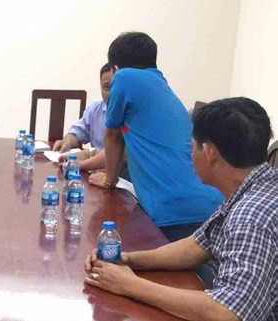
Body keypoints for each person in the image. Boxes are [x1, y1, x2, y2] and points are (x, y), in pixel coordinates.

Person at [85, 97, 277, 321]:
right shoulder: (255, 186)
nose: (189, 154)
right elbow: (196, 246)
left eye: (192, 146)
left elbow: (227, 313)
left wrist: (129, 285)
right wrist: (128, 260)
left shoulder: (251, 216)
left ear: (209, 152)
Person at [89, 32, 223, 241]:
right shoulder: (160, 85)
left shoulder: (125, 78)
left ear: (115, 68)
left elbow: (113, 137)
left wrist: (109, 180)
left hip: (174, 212)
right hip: (210, 205)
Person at [53, 63, 111, 173]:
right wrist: (67, 141)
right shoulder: (95, 109)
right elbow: (77, 133)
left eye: (115, 87)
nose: (111, 93)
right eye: (107, 87)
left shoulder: (131, 115)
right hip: (92, 171)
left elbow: (118, 154)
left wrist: (83, 160)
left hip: (115, 176)